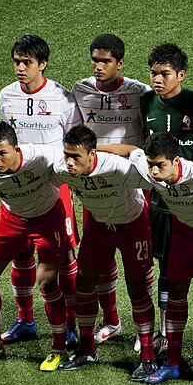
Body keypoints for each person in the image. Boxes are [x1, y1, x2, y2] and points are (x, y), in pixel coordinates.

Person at [107, 132, 193, 385]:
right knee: (176, 295)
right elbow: (131, 150)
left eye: (160, 165)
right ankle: (173, 362)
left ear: (176, 160)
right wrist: (93, 146)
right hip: (183, 237)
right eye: (151, 164)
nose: (153, 171)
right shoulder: (149, 165)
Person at [51, 125, 157, 379]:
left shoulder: (118, 168)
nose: (69, 162)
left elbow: (152, 181)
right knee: (84, 282)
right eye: (66, 154)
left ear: (92, 154)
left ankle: (148, 356)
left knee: (137, 287)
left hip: (132, 225)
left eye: (76, 156)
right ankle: (87, 348)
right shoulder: (60, 169)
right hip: (99, 226)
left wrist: (136, 152)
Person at [141, 43, 193, 364]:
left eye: (164, 74)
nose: (158, 79)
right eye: (153, 73)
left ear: (181, 75)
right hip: (161, 205)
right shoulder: (145, 102)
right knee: (167, 269)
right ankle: (163, 333)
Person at [0, 35, 82, 348]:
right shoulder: (6, 96)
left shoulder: (63, 97)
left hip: (54, 187)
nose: (20, 68)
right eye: (16, 62)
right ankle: (25, 320)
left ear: (42, 64)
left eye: (26, 62)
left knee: (64, 256)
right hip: (19, 188)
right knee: (21, 253)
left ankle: (71, 324)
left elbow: (73, 143)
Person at [71, 33, 153, 350]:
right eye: (94, 59)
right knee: (100, 260)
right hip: (94, 183)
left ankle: (146, 331)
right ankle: (112, 321)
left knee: (139, 265)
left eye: (105, 61)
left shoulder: (139, 93)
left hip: (131, 182)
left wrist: (106, 150)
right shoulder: (81, 90)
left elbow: (148, 138)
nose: (98, 66)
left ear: (120, 63)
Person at [0, 122, 69, 371]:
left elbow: (73, 166)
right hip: (11, 220)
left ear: (16, 148)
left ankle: (59, 348)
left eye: (2, 152)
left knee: (46, 281)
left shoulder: (42, 156)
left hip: (47, 218)